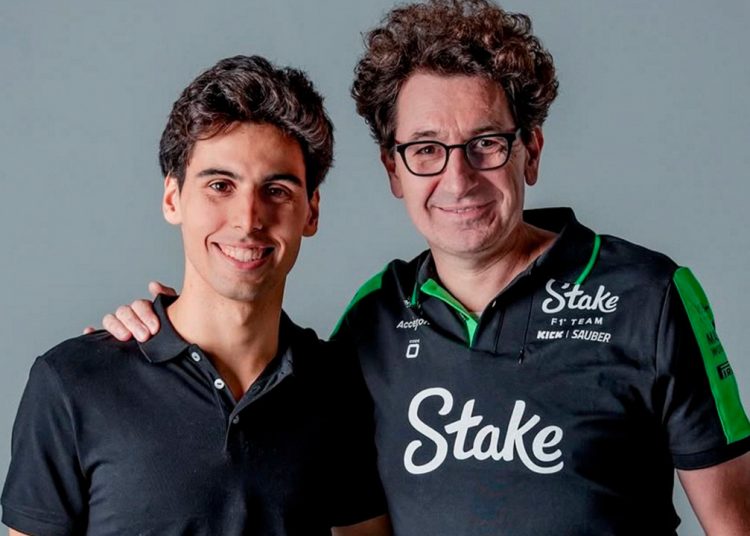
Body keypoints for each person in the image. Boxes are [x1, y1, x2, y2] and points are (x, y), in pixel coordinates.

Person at [87, 0, 750, 534]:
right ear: (394, 170)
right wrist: (162, 334)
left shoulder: (649, 297)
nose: (458, 180)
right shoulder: (374, 319)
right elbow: (258, 395)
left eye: (486, 143)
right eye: (427, 149)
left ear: (531, 150)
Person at [1, 55, 390, 536]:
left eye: (276, 190)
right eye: (220, 186)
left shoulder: (339, 388)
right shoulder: (72, 383)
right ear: (173, 198)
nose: (247, 220)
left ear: (310, 212)